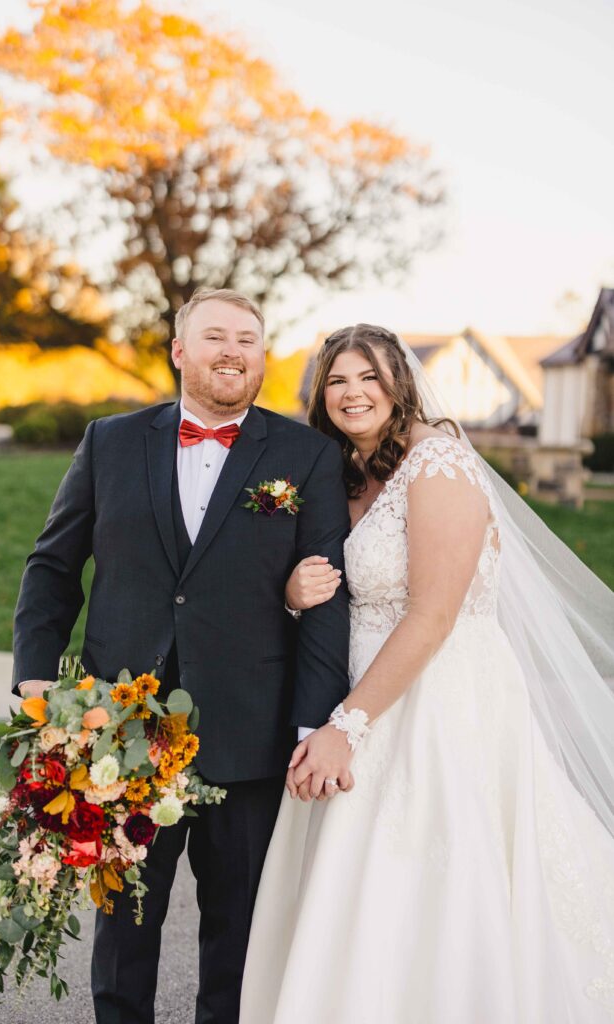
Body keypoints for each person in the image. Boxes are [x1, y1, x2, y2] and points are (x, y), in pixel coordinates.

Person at [240, 323, 614, 1023]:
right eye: (337, 380)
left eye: (368, 378)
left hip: (440, 696)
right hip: (354, 688)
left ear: (400, 384)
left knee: (435, 858)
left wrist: (346, 726)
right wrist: (294, 596)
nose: (352, 393)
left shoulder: (438, 465)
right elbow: (338, 593)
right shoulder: (338, 472)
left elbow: (433, 615)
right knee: (359, 871)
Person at [11, 288, 350, 1024]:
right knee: (124, 927)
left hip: (251, 734)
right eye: (215, 336)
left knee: (238, 935)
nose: (232, 351)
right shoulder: (109, 440)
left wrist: (310, 726)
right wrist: (34, 675)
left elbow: (328, 600)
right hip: (123, 732)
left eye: (248, 339)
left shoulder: (306, 455)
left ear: (263, 355)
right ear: (178, 350)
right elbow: (51, 566)